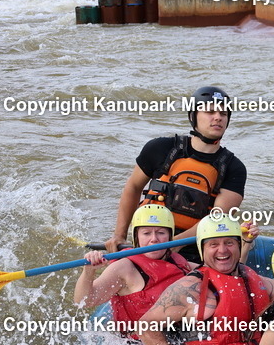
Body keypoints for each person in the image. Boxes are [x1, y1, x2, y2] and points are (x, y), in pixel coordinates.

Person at [105, 86, 247, 262]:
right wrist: (119, 235)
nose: (218, 117)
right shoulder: (160, 148)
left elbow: (216, 219)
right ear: (193, 116)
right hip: (149, 240)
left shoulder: (234, 168)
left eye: (223, 114)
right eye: (210, 111)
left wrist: (173, 244)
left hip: (194, 249)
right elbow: (133, 187)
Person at [138, 214, 274, 345]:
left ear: (239, 246)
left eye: (229, 243)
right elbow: (144, 326)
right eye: (214, 244)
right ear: (202, 250)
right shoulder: (188, 289)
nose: (222, 250)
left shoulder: (256, 280)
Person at [74, 204, 194, 335]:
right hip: (136, 343)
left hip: (175, 334)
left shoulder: (179, 262)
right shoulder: (124, 268)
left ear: (170, 237)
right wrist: (89, 271)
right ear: (137, 237)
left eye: (161, 233)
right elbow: (84, 301)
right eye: (146, 233)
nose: (154, 239)